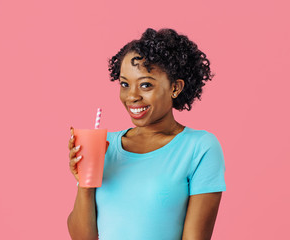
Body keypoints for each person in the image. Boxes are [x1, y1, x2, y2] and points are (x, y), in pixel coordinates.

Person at [67, 28, 226, 240]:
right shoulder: (104, 146)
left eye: (145, 85)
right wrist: (85, 183)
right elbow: (83, 238)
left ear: (175, 88)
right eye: (125, 84)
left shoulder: (199, 148)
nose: (132, 96)